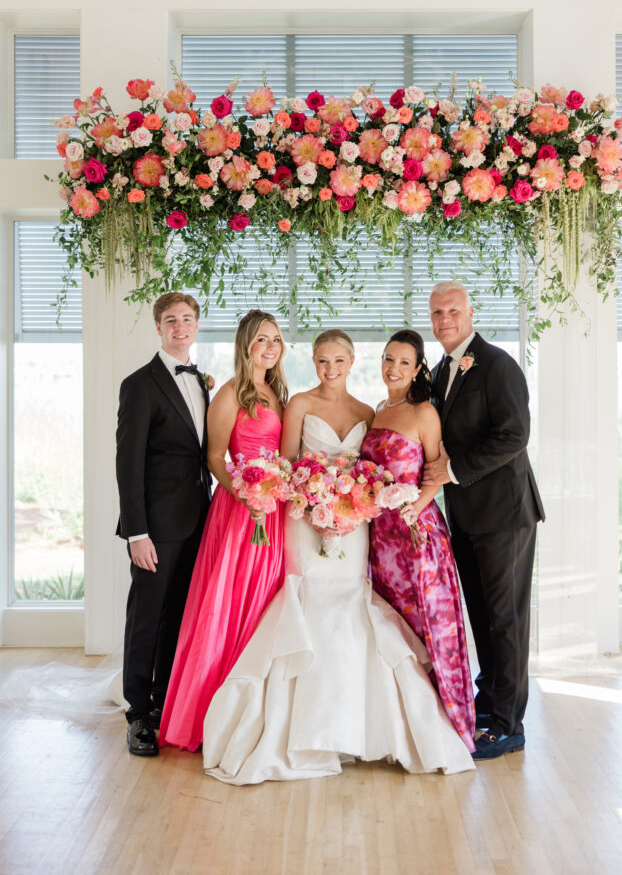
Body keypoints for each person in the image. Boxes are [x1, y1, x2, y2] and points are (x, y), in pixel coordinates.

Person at [201, 329, 475, 784]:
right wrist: (313, 507)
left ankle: (357, 723)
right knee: (309, 604)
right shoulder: (300, 406)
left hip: (356, 525)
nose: (330, 369)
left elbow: (376, 472)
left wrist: (353, 508)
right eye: (322, 361)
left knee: (353, 609)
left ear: (351, 362)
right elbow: (287, 468)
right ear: (313, 362)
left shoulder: (370, 412)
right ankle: (299, 728)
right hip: (305, 522)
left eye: (338, 361)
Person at [423, 280, 545, 760]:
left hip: (506, 514)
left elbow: (515, 435)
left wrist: (451, 469)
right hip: (466, 517)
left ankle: (509, 725)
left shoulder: (498, 365)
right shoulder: (439, 371)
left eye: (453, 310)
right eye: (436, 313)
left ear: (471, 313)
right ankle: (489, 702)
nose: (445, 319)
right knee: (482, 617)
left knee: (507, 620)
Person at [158, 309, 288, 752]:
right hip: (239, 511)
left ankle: (256, 710)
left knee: (264, 606)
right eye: (261, 340)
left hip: (274, 511)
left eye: (275, 339)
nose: (269, 347)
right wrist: (247, 494)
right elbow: (215, 457)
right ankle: (213, 712)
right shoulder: (232, 393)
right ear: (245, 345)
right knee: (230, 606)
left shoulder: (278, 391)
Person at [361, 329, 475, 752]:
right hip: (381, 541)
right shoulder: (377, 409)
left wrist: (415, 504)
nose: (393, 368)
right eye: (388, 359)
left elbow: (437, 471)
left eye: (403, 363)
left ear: (418, 369)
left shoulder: (425, 412)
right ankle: (403, 723)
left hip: (416, 535)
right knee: (396, 629)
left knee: (429, 624)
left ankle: (446, 722)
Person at [116, 292, 211, 757]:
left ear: (196, 325)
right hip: (154, 528)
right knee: (145, 620)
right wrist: (137, 532)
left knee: (177, 617)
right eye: (170, 320)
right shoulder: (140, 384)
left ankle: (161, 703)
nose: (179, 327)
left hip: (197, 523)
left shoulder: (203, 382)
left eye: (187, 319)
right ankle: (136, 714)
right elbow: (127, 465)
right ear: (158, 327)